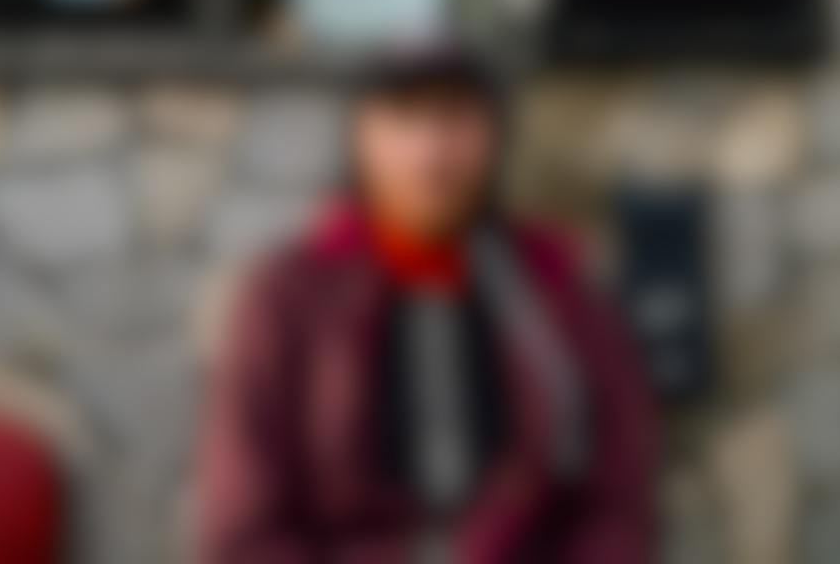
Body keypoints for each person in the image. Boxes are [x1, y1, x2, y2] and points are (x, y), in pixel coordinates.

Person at [198, 45, 657, 563]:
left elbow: (617, 502)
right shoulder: (289, 299)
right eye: (404, 118)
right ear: (361, 136)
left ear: (493, 134)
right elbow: (244, 523)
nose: (431, 151)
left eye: (455, 118)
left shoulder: (556, 291)